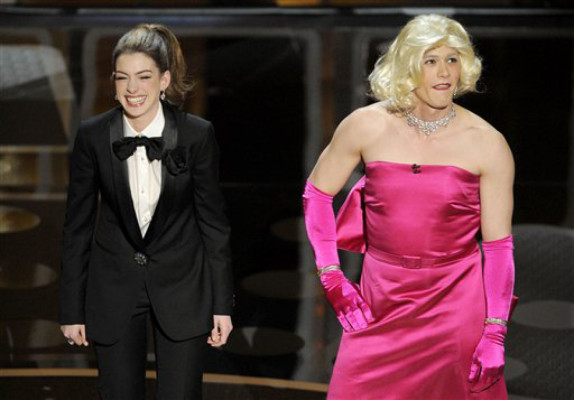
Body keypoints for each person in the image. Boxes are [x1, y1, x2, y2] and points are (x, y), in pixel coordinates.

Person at [303, 14, 516, 400]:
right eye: (430, 60)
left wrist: (495, 330)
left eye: (452, 59)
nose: (444, 72)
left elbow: (499, 247)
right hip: (379, 300)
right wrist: (332, 276)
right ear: (407, 65)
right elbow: (316, 195)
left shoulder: (487, 143)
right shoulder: (366, 125)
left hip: (454, 303)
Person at [59, 24, 233, 400]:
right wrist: (71, 309)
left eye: (143, 77)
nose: (132, 89)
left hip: (183, 286)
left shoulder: (196, 134)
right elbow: (77, 226)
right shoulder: (93, 135)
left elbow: (213, 224)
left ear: (164, 80)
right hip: (113, 287)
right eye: (123, 77)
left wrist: (222, 304)